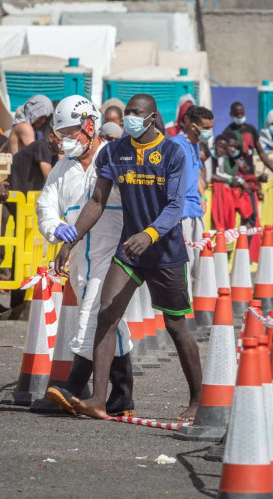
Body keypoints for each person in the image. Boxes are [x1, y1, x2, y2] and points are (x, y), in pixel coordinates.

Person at [66, 94, 202, 422]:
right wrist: (72, 239)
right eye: (127, 113)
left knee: (176, 326)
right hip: (129, 251)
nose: (130, 119)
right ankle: (99, 399)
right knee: (106, 314)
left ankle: (200, 399)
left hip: (165, 253)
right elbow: (98, 200)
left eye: (136, 114)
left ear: (153, 117)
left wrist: (149, 235)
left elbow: (174, 205)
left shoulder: (172, 152)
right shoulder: (114, 151)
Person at [39, 95, 135, 417]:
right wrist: (57, 231)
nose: (66, 140)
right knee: (110, 323)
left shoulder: (112, 159)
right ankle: (122, 395)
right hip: (80, 259)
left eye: (71, 132)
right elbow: (45, 208)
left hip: (112, 255)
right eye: (61, 133)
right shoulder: (61, 169)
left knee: (93, 317)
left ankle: (74, 389)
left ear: (89, 125)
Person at [170, 105, 214, 283]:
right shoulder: (175, 145)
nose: (209, 132)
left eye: (211, 127)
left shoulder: (196, 146)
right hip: (182, 212)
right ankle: (185, 300)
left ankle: (196, 299)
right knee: (185, 259)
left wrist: (202, 197)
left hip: (196, 210)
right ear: (192, 125)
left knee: (198, 259)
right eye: (206, 128)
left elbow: (197, 176)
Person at [225, 101, 273, 185]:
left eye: (242, 113)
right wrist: (242, 163)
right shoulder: (228, 132)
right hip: (236, 177)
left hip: (250, 175)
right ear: (231, 114)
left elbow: (261, 153)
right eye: (237, 114)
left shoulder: (251, 129)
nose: (239, 116)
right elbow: (230, 156)